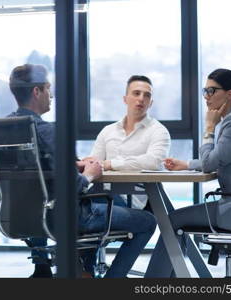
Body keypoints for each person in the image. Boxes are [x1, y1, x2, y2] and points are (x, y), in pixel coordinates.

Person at [8, 64, 157, 278]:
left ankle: (83, 272)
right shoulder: (49, 132)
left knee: (106, 204)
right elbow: (73, 187)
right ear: (36, 91)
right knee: (147, 222)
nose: (51, 95)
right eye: (48, 88)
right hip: (63, 216)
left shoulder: (4, 128)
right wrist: (89, 175)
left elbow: (35, 171)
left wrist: (71, 164)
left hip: (22, 217)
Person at [146, 68, 231, 277]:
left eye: (212, 91)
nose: (206, 97)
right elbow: (220, 158)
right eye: (205, 91)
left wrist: (208, 128)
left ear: (229, 94)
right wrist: (187, 164)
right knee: (175, 220)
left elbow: (209, 164)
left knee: (172, 221)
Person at [84, 75, 170, 209]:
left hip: (132, 200)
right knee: (73, 205)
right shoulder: (108, 131)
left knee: (78, 211)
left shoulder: (159, 131)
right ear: (125, 99)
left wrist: (111, 164)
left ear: (151, 102)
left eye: (146, 95)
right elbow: (94, 164)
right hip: (101, 192)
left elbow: (153, 162)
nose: (141, 98)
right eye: (136, 93)